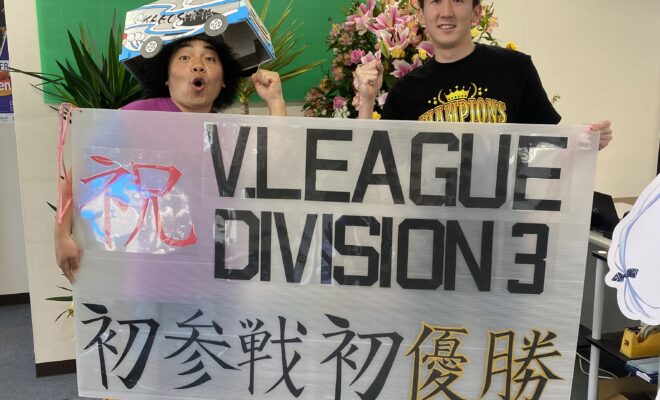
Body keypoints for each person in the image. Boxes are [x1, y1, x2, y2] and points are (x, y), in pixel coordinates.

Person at [55, 35, 286, 283]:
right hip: (152, 278)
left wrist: (275, 101)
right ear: (166, 76)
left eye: (210, 59)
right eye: (184, 57)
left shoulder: (229, 133)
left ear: (223, 81)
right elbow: (82, 175)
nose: (198, 65)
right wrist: (61, 235)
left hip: (221, 277)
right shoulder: (135, 116)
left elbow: (273, 169)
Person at [354, 0, 613, 150]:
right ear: (422, 15)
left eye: (458, 0)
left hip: (505, 222)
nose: (446, 11)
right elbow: (374, 164)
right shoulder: (406, 90)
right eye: (435, 1)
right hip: (430, 224)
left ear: (476, 13)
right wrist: (367, 101)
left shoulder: (515, 68)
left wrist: (584, 143)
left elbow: (546, 148)